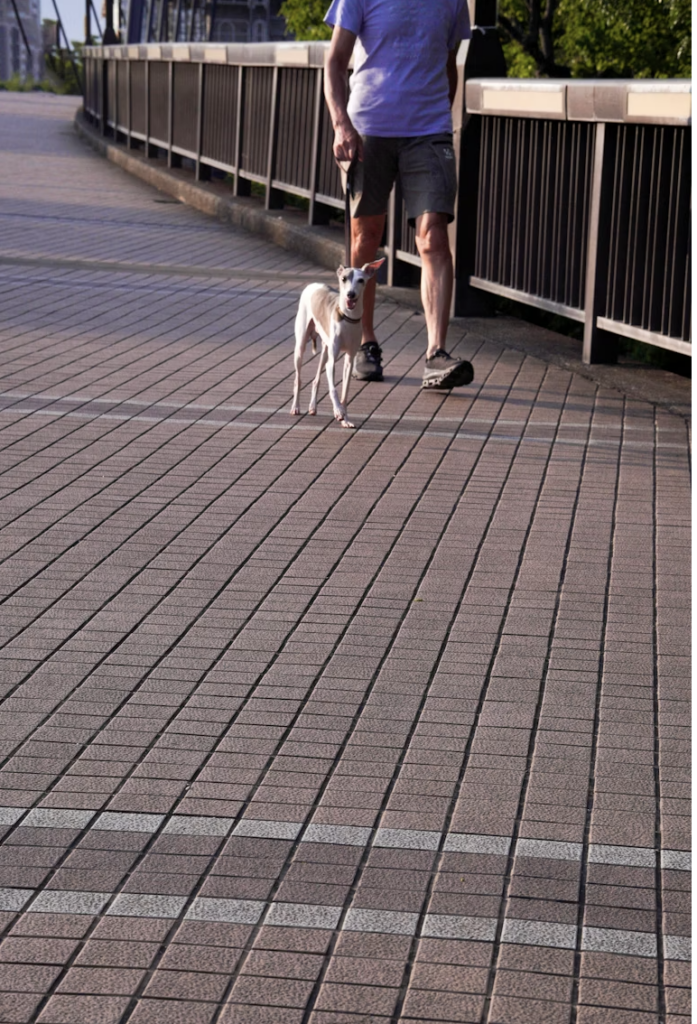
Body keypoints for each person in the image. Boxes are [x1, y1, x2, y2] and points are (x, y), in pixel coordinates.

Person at [323, 0, 474, 390]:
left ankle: (436, 353)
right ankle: (364, 343)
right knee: (366, 238)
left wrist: (440, 117)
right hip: (368, 127)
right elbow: (335, 63)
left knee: (434, 236)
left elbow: (448, 63)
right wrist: (341, 125)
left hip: (429, 130)